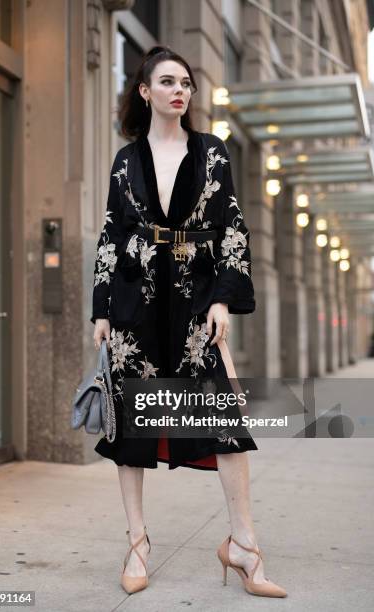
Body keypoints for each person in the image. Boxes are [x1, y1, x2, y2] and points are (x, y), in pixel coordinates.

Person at [91, 46, 287, 598]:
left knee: (224, 418)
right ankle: (136, 541)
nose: (181, 90)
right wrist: (101, 309)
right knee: (129, 424)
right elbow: (110, 233)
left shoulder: (214, 153)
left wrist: (224, 298)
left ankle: (244, 545)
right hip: (136, 301)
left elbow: (232, 228)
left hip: (196, 299)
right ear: (145, 91)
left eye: (187, 83)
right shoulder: (126, 160)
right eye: (168, 82)